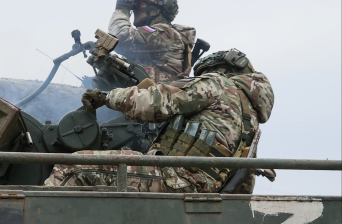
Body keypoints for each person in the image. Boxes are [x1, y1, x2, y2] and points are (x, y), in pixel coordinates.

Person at [44, 49, 274, 193]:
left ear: (218, 70)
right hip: (200, 190)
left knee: (72, 167)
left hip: (175, 180)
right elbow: (245, 183)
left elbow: (154, 103)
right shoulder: (250, 121)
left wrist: (107, 97)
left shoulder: (217, 84)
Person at [110, 0, 196, 83]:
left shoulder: (165, 33)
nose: (134, 10)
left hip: (152, 96)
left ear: (156, 8)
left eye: (140, 4)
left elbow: (119, 39)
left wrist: (121, 10)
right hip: (145, 95)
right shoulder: (165, 33)